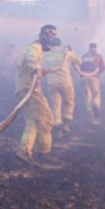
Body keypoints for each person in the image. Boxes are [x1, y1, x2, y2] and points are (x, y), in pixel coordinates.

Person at [14, 24, 59, 166]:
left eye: (52, 36)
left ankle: (24, 151)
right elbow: (31, 58)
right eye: (48, 35)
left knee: (32, 120)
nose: (50, 38)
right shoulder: (35, 47)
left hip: (25, 88)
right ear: (41, 35)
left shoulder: (37, 49)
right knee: (46, 118)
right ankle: (43, 152)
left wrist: (40, 71)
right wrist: (36, 68)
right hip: (30, 90)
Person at [42, 38, 82, 138]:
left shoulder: (46, 54)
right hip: (65, 82)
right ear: (60, 45)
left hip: (51, 83)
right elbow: (79, 60)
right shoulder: (66, 52)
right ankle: (66, 123)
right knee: (69, 102)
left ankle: (57, 126)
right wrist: (70, 50)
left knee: (56, 105)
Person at [78, 42, 105, 125]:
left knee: (88, 95)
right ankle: (95, 116)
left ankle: (88, 111)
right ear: (96, 48)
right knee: (95, 96)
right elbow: (103, 68)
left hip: (83, 78)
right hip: (94, 78)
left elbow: (79, 67)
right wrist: (97, 74)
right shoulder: (98, 56)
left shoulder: (83, 56)